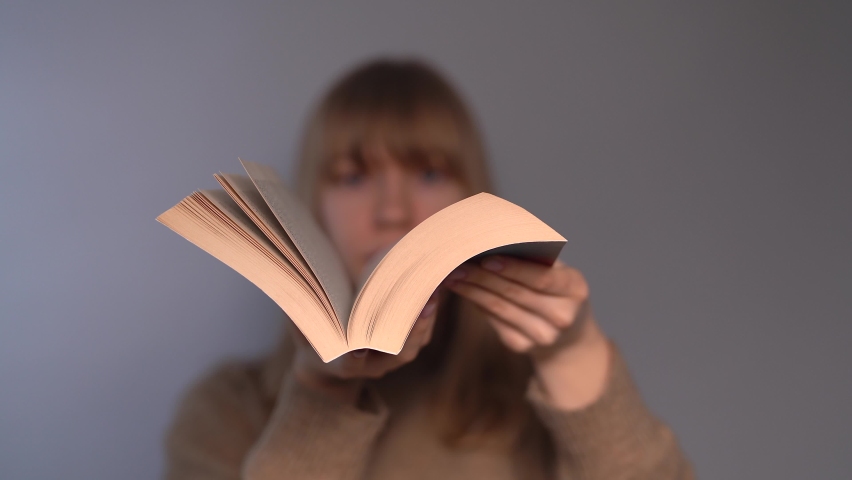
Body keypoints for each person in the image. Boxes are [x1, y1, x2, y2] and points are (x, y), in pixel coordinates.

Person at [164, 58, 694, 480]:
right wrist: (323, 391)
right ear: (311, 208)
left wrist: (574, 358)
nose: (392, 210)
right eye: (352, 178)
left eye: (430, 172)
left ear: (472, 198)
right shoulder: (226, 410)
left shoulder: (532, 401)